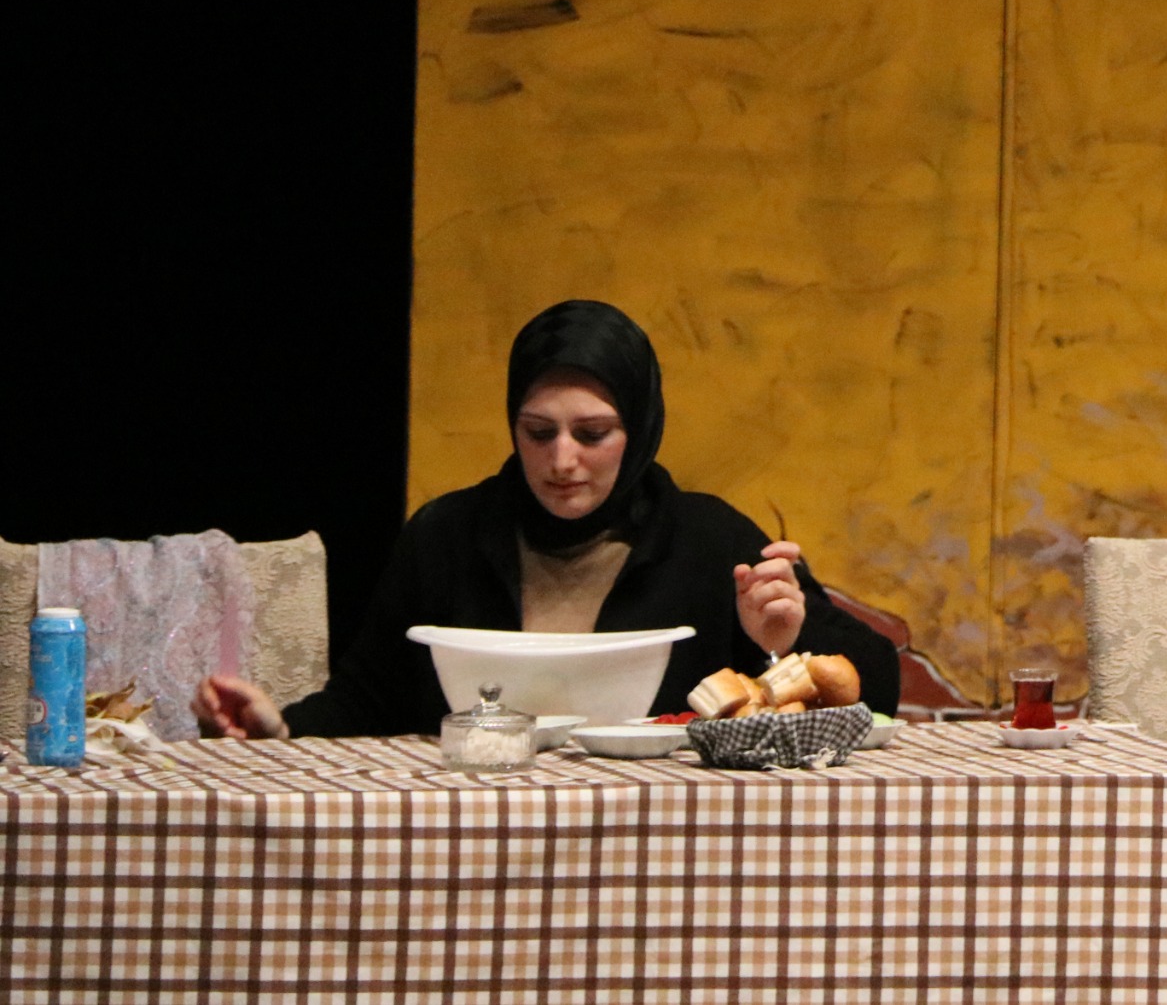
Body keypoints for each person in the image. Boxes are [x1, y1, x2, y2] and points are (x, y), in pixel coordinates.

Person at [193, 299, 901, 738]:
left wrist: (788, 639)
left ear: (639, 431)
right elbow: (365, 701)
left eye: (592, 435)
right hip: (472, 842)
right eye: (538, 433)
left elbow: (879, 683)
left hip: (655, 847)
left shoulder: (710, 539)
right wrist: (279, 725)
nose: (562, 460)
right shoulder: (447, 535)